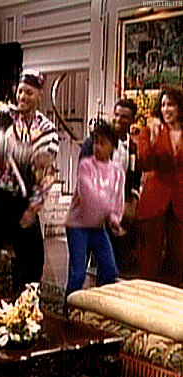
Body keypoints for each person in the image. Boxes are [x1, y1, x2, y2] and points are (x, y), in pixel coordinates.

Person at [0, 69, 59, 302]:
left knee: (33, 264)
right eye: (20, 91)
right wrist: (28, 154)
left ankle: (23, 312)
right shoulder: (3, 115)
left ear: (39, 95)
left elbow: (45, 171)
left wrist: (33, 208)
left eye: (29, 92)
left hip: (24, 201)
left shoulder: (47, 129)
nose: (22, 97)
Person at [64, 121, 125, 306]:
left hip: (98, 227)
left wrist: (114, 219)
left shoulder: (117, 172)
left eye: (102, 143)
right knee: (78, 273)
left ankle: (99, 307)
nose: (97, 147)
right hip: (77, 226)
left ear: (112, 147)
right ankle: (70, 307)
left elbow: (116, 199)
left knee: (109, 269)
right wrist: (108, 212)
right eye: (96, 142)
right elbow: (89, 196)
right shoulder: (86, 165)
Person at [79, 99, 142, 275]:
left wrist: (132, 200)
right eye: (116, 114)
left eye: (124, 117)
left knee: (110, 262)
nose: (118, 119)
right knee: (82, 260)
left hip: (116, 211)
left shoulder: (132, 148)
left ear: (132, 120)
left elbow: (134, 177)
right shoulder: (95, 141)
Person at [134, 85, 183, 287]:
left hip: (180, 202)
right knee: (149, 258)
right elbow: (144, 163)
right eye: (162, 105)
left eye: (170, 104)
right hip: (154, 201)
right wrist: (153, 141)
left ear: (180, 107)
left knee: (178, 257)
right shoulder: (150, 131)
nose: (165, 109)